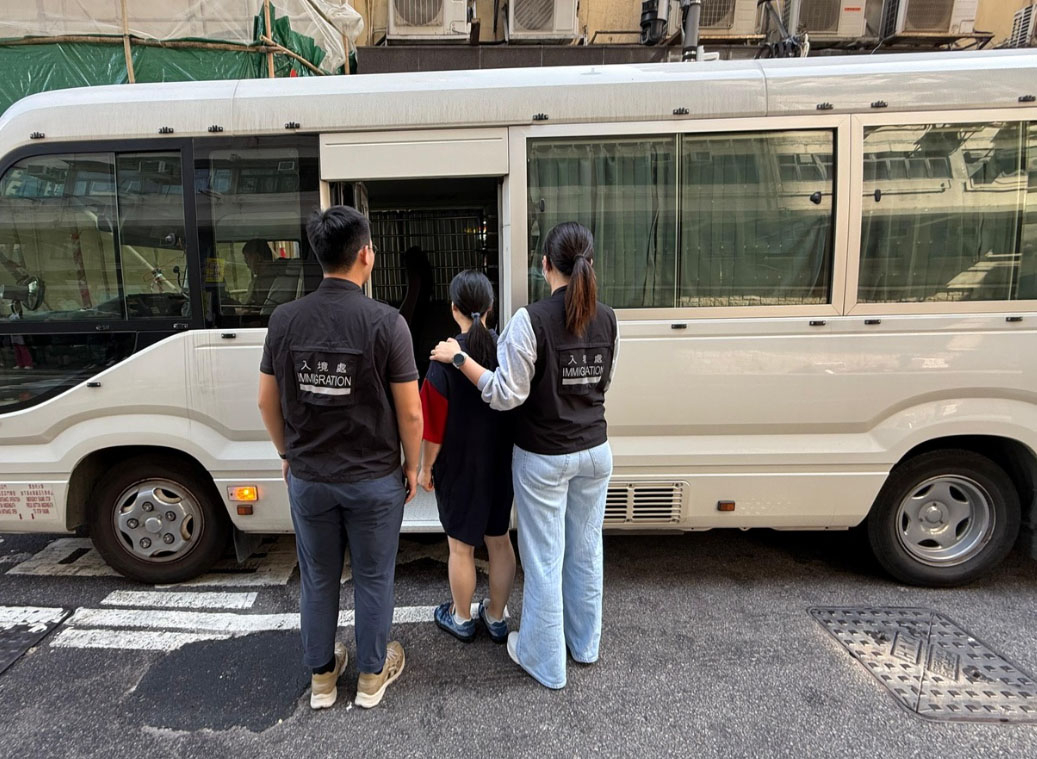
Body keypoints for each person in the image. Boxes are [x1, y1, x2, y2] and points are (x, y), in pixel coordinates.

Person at [430, 221, 618, 689]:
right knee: (586, 550)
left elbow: (505, 394)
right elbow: (603, 383)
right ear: (589, 264)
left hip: (546, 457)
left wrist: (460, 359)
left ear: (545, 265)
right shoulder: (609, 319)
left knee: (546, 558)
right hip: (596, 451)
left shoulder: (530, 320)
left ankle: (545, 661)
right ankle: (584, 645)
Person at [258, 205, 423, 710]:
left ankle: (323, 679)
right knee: (373, 578)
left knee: (318, 577)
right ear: (366, 255)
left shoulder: (284, 320)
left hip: (310, 477)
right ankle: (372, 676)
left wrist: (286, 451)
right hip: (374, 479)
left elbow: (266, 401)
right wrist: (412, 466)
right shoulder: (387, 323)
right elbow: (411, 412)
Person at [418, 270, 516, 643]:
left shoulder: (444, 358)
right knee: (499, 539)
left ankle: (461, 619)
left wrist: (425, 468)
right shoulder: (507, 350)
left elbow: (432, 426)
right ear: (491, 308)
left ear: (453, 308)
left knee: (461, 546)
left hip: (458, 467)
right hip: (501, 463)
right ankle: (496, 617)